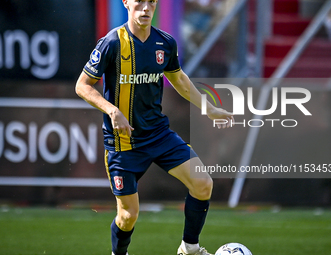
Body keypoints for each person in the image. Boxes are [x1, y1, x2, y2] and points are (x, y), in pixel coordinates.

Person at [75, 1, 234, 254]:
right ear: (126, 3)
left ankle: (189, 248)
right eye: (139, 2)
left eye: (151, 2)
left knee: (203, 183)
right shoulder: (112, 43)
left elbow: (179, 78)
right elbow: (82, 85)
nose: (146, 8)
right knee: (128, 215)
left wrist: (208, 108)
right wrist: (112, 110)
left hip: (158, 134)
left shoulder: (165, 43)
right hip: (123, 142)